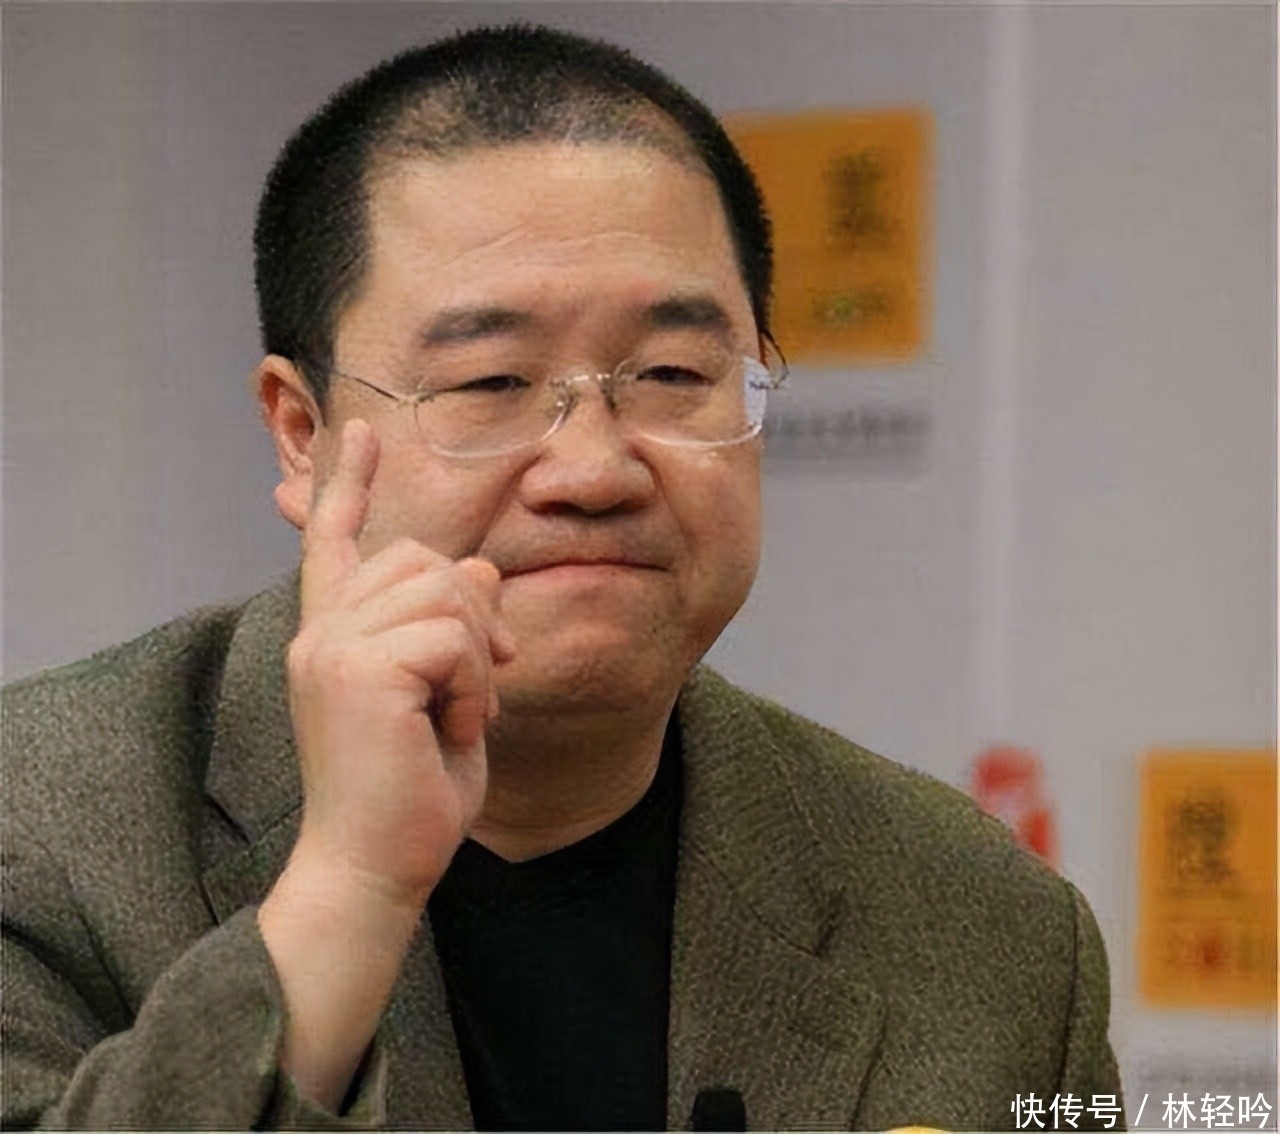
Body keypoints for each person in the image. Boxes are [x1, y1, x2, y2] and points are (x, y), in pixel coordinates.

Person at [1, 24, 1123, 1131]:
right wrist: (348, 888)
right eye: (490, 381)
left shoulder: (988, 929)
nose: (593, 469)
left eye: (673, 372)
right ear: (304, 435)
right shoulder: (37, 836)